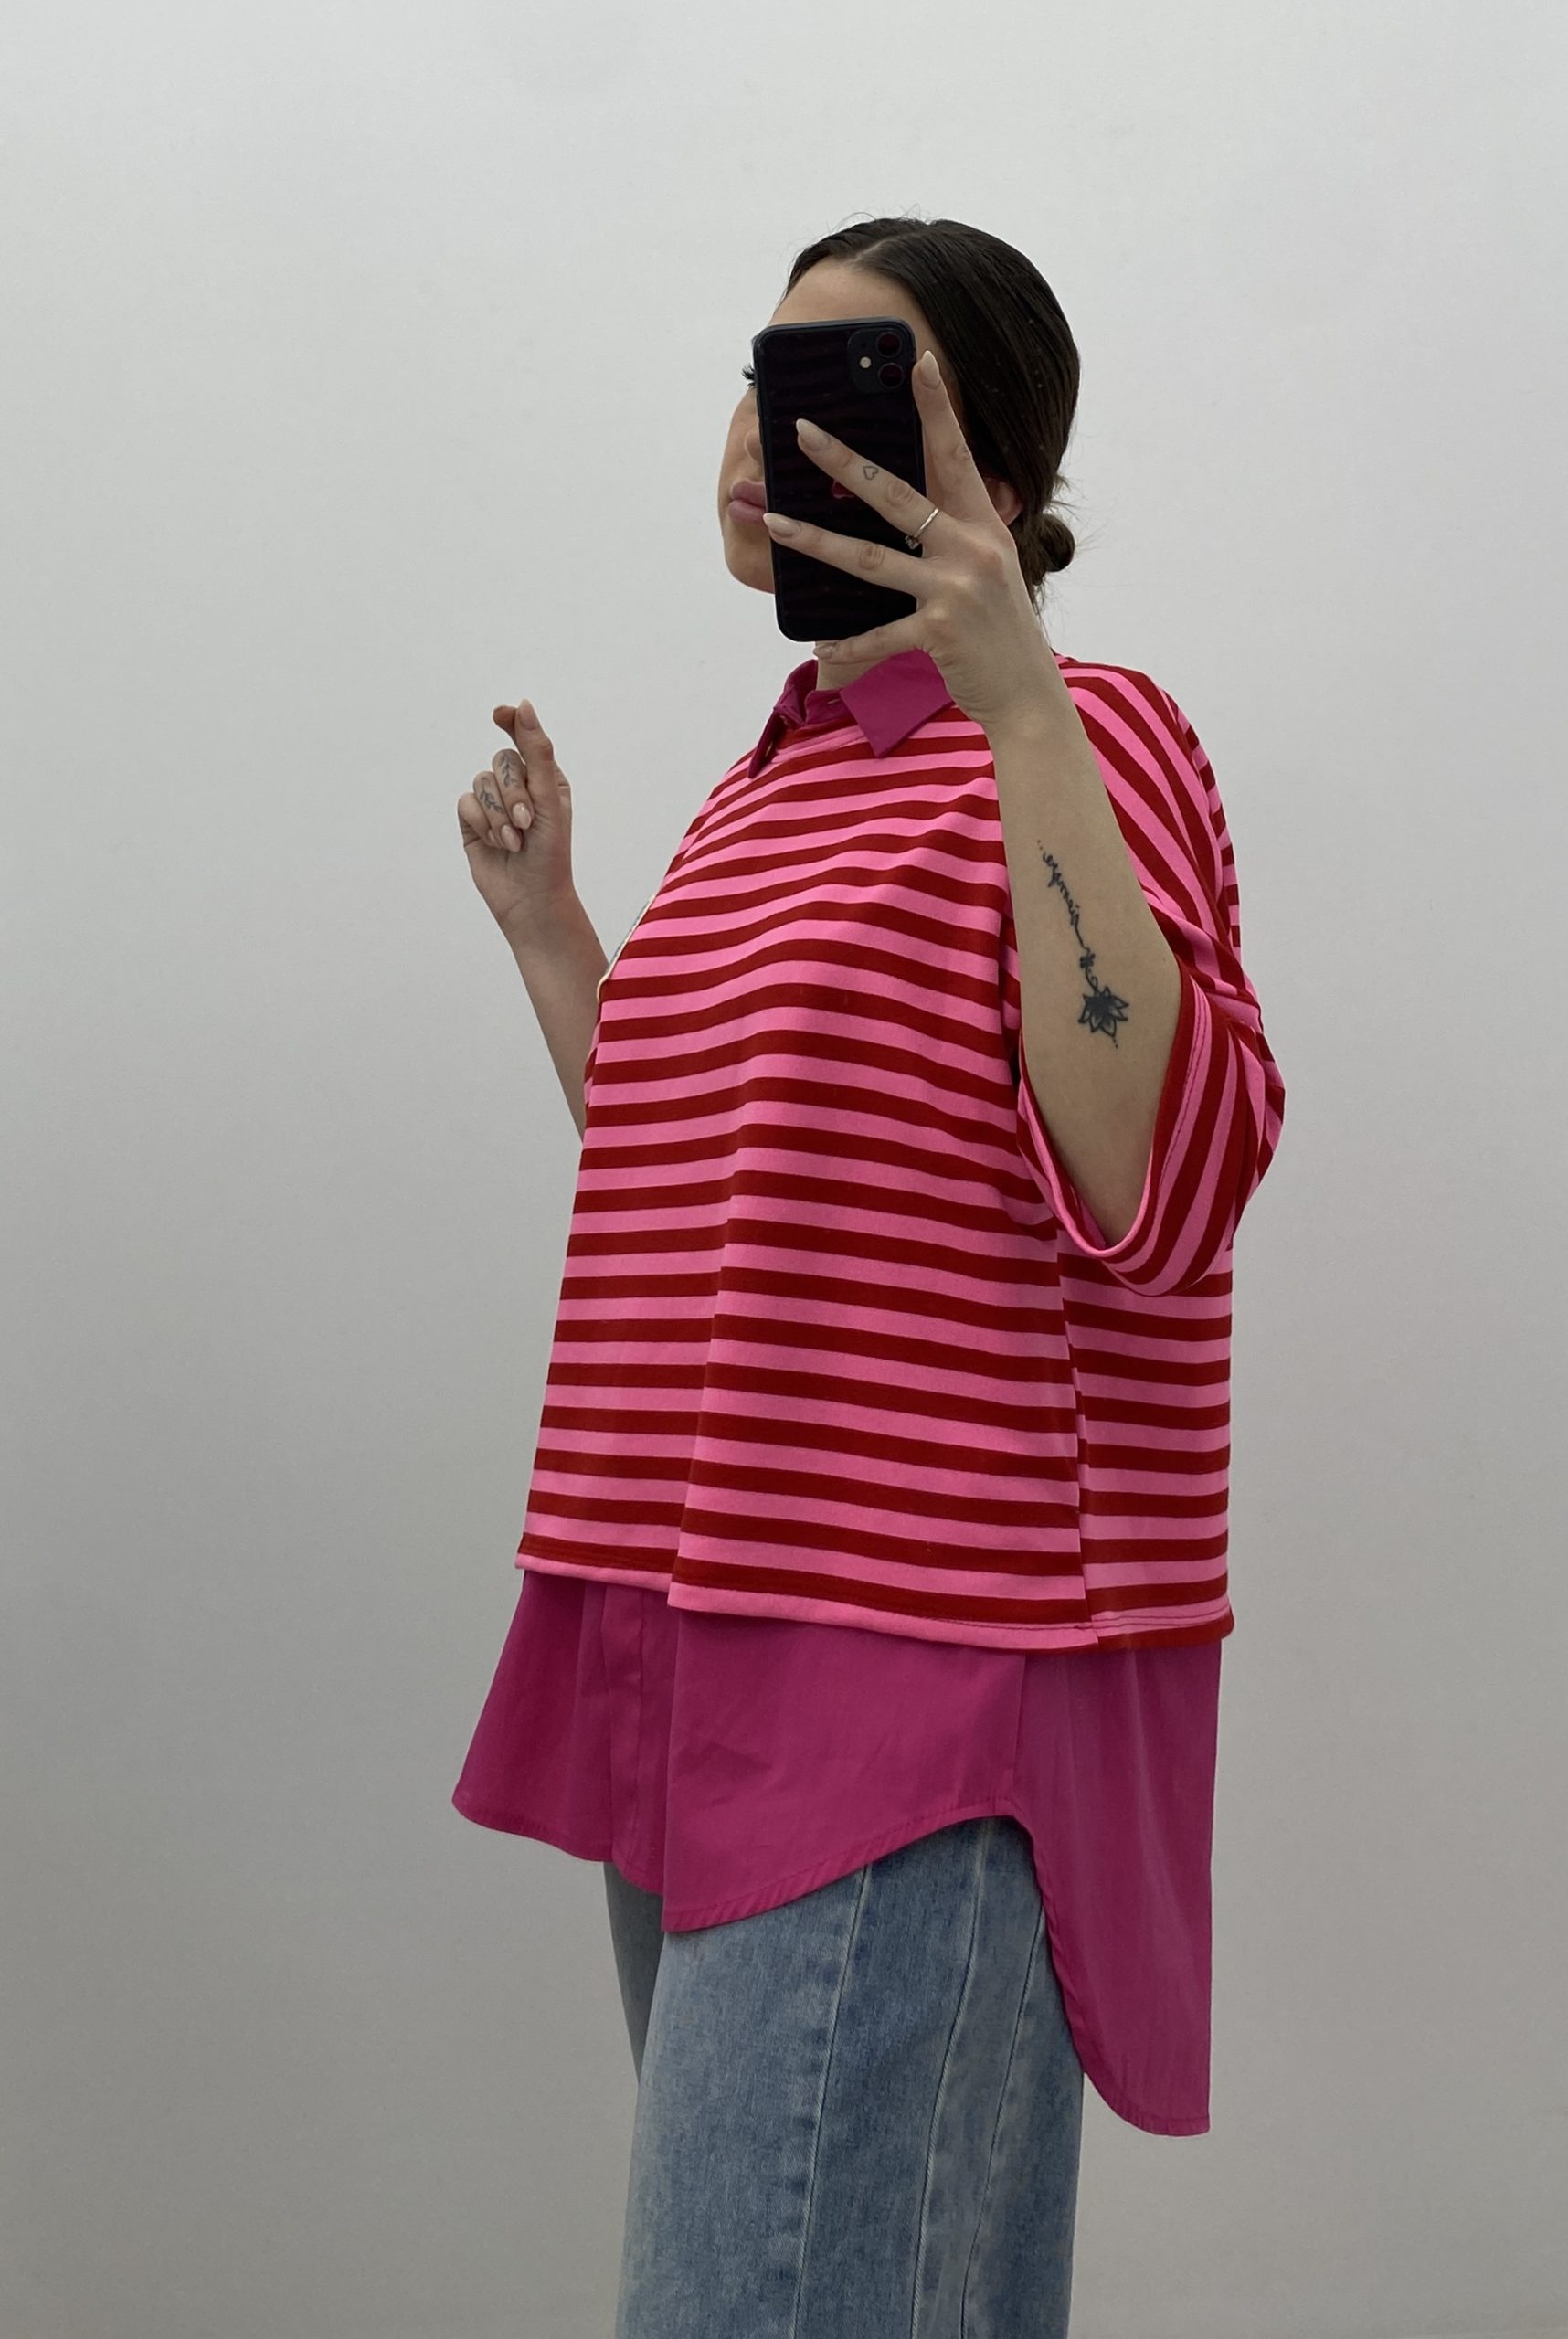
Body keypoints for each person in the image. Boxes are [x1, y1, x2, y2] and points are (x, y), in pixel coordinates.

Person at [451, 213, 1287, 2339]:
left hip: (916, 1658)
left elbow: (1154, 1170)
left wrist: (1017, 695)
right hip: (690, 1627)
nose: (761, 428)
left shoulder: (1091, 732)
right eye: (755, 377)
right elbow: (700, 1180)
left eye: (840, 385)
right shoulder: (762, 793)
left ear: (987, 469)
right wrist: (555, 932)